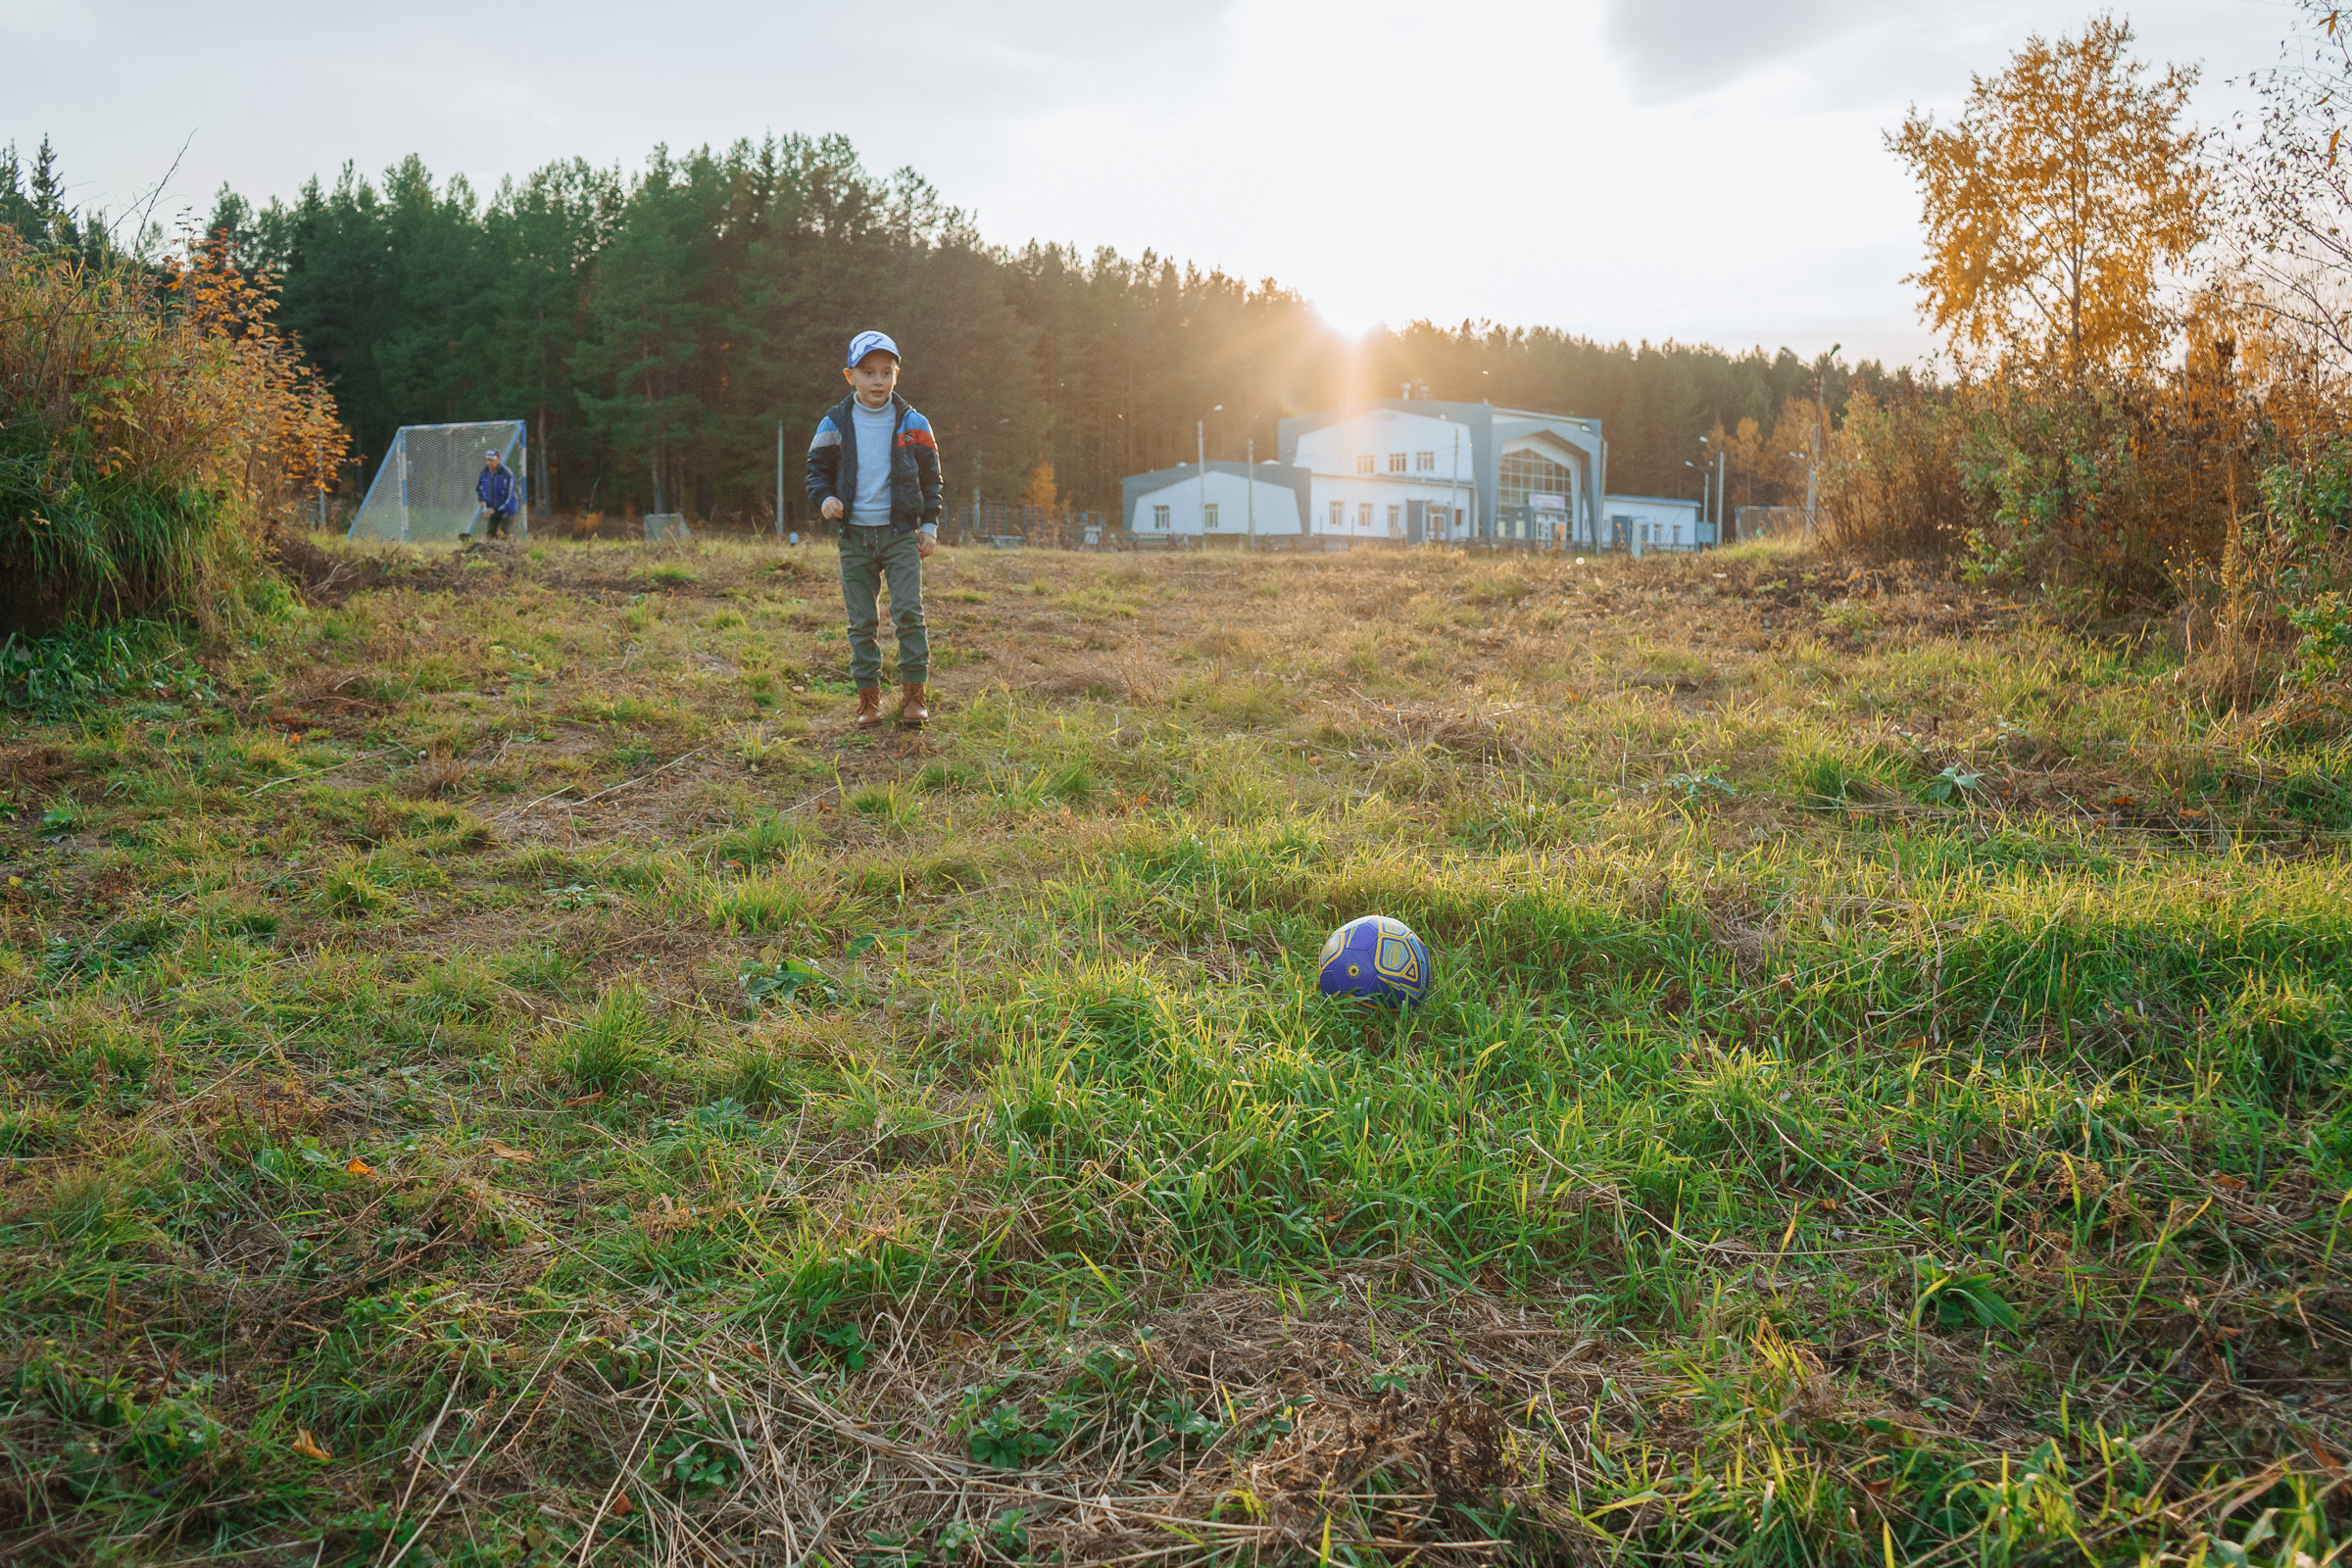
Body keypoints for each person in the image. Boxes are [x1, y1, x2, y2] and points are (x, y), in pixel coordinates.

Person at [805, 329, 941, 728]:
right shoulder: (834, 422)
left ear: (897, 374)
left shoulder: (914, 422)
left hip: (900, 534)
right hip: (856, 538)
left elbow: (932, 479)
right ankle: (868, 701)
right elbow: (816, 471)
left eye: (886, 371)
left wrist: (929, 524)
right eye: (868, 372)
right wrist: (825, 498)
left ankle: (914, 697)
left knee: (908, 613)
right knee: (862, 621)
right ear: (851, 376)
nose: (878, 380)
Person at [474, 448, 522, 539]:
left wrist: (495, 508)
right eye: (488, 460)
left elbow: (508, 495)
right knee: (490, 534)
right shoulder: (484, 472)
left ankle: (512, 550)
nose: (489, 463)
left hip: (506, 509)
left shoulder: (507, 474)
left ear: (498, 460)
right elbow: (479, 488)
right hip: (492, 508)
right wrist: (482, 500)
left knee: (504, 533)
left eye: (492, 460)